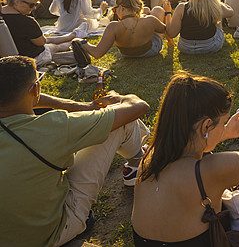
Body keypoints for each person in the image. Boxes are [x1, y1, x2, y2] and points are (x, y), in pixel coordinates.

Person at [131, 72, 239, 246]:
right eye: (223, 122)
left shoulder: (149, 158)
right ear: (206, 125)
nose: (224, 127)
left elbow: (190, 145)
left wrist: (225, 132)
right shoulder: (212, 169)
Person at [0, 55, 150, 247]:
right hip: (50, 234)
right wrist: (120, 98)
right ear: (35, 89)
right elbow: (138, 107)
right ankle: (137, 162)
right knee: (119, 123)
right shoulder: (54, 127)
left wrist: (76, 105)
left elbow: (25, 96)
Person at [79, 0, 167, 59]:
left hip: (127, 54)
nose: (115, 12)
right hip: (150, 51)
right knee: (157, 10)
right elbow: (164, 30)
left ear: (120, 8)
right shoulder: (149, 20)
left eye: (114, 9)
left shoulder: (113, 27)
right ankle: (170, 43)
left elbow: (97, 53)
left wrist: (81, 42)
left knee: (147, 11)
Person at [1, 0, 76, 64]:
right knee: (54, 47)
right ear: (16, 2)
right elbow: (42, 42)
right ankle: (74, 43)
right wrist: (69, 37)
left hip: (4, 61)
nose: (34, 8)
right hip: (28, 60)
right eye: (32, 5)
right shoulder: (27, 22)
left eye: (36, 4)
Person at [166, 0, 233, 55]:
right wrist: (217, 2)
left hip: (186, 48)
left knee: (217, 14)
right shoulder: (212, 5)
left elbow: (172, 34)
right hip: (210, 46)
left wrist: (168, 12)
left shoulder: (181, 8)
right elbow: (230, 12)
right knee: (218, 18)